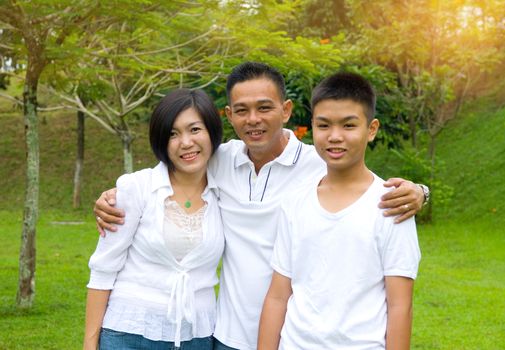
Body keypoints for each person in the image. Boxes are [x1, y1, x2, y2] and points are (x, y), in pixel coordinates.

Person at [94, 62, 427, 350]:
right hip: (224, 334)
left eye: (265, 108)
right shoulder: (218, 159)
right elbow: (173, 170)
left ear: (286, 110)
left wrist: (420, 192)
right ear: (229, 116)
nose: (253, 119)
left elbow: (365, 186)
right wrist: (116, 194)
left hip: (289, 336)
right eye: (241, 110)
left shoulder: (319, 162)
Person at [258, 72, 421, 349]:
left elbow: (400, 307)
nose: (335, 137)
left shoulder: (391, 206)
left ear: (371, 129)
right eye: (324, 125)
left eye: (348, 125)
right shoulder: (295, 202)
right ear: (312, 127)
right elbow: (277, 296)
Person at [84, 89, 225, 350]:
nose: (185, 142)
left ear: (212, 132)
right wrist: (90, 345)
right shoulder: (137, 188)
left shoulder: (226, 190)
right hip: (129, 334)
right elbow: (103, 270)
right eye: (173, 133)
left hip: (197, 336)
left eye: (195, 129)